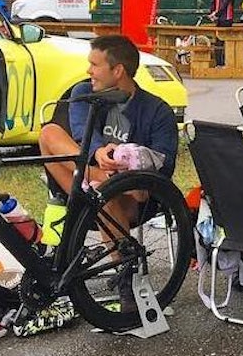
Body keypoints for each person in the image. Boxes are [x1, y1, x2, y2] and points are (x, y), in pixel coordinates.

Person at [38, 34, 179, 303]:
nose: (88, 70)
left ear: (117, 71)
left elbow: (165, 164)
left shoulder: (156, 111)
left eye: (94, 64)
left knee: (107, 191)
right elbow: (80, 132)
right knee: (49, 133)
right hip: (85, 182)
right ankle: (99, 180)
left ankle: (125, 274)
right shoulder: (83, 93)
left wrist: (128, 166)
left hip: (133, 198)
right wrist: (99, 153)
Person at [207, 0, 241, 65]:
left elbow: (213, 0)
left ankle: (218, 63)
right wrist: (218, 13)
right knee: (227, 40)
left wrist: (213, 13)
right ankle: (226, 63)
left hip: (218, 17)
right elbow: (226, 3)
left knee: (218, 40)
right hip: (226, 17)